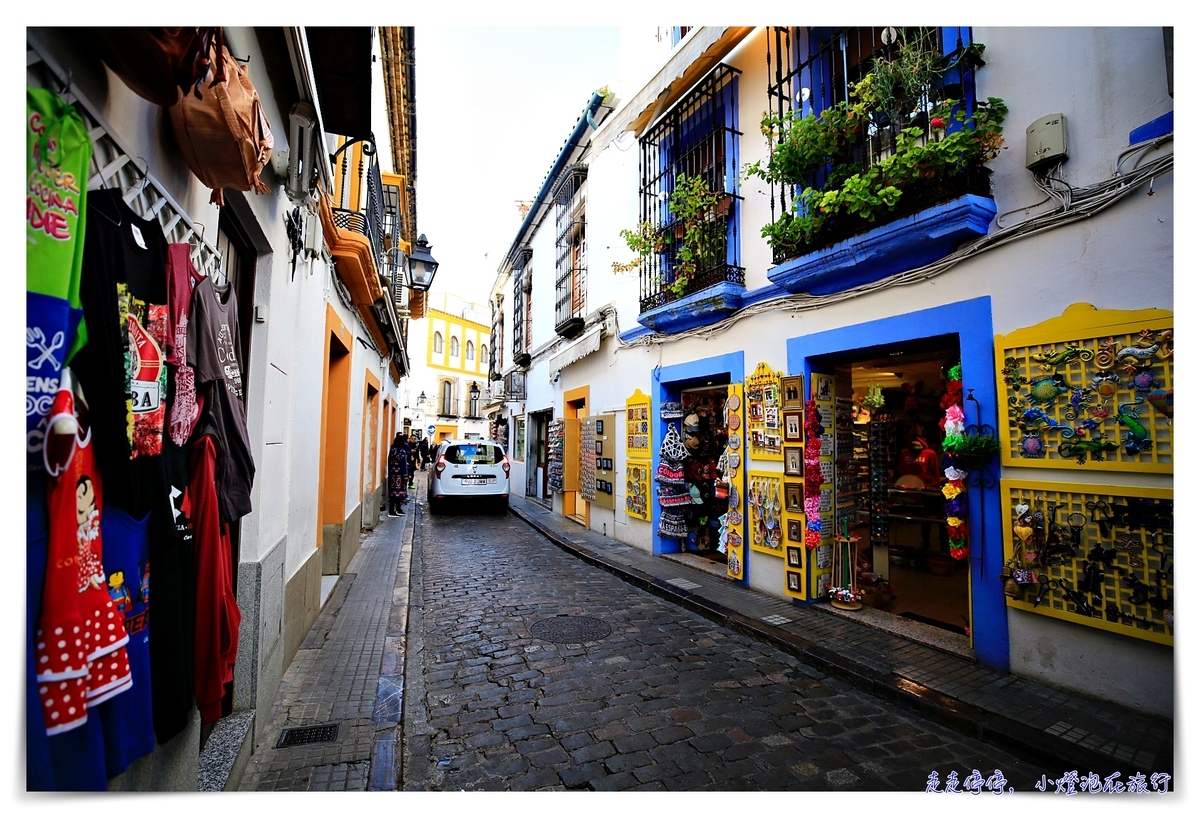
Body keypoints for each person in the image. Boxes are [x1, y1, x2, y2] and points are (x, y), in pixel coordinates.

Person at [387, 432, 409, 516]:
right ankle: (397, 510)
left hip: (392, 474)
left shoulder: (393, 450)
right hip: (399, 475)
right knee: (399, 493)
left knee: (393, 493)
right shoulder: (401, 452)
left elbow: (389, 461)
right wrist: (405, 476)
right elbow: (403, 465)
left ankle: (393, 510)